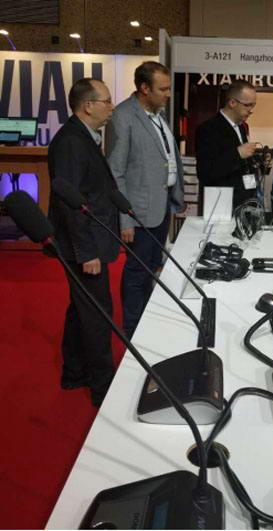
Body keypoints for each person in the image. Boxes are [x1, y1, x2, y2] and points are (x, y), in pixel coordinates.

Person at [48, 78, 118, 407]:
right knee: (97, 314)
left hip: (91, 239)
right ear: (88, 106)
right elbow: (69, 202)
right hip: (83, 245)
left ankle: (74, 373)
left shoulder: (84, 136)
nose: (112, 107)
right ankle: (104, 388)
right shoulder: (71, 142)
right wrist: (87, 251)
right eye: (107, 101)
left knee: (81, 309)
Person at [106, 61, 185, 338]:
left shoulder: (157, 115)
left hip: (161, 207)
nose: (168, 94)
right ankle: (132, 330)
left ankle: (146, 322)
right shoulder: (123, 116)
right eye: (163, 89)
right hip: (138, 213)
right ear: (144, 88)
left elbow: (166, 158)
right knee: (137, 272)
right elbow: (115, 172)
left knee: (152, 268)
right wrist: (125, 219)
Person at [195, 80, 258, 210]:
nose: (251, 111)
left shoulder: (241, 127)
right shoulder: (208, 129)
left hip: (245, 204)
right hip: (222, 206)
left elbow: (241, 164)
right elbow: (205, 173)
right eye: (248, 105)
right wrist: (237, 154)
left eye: (253, 105)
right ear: (232, 103)